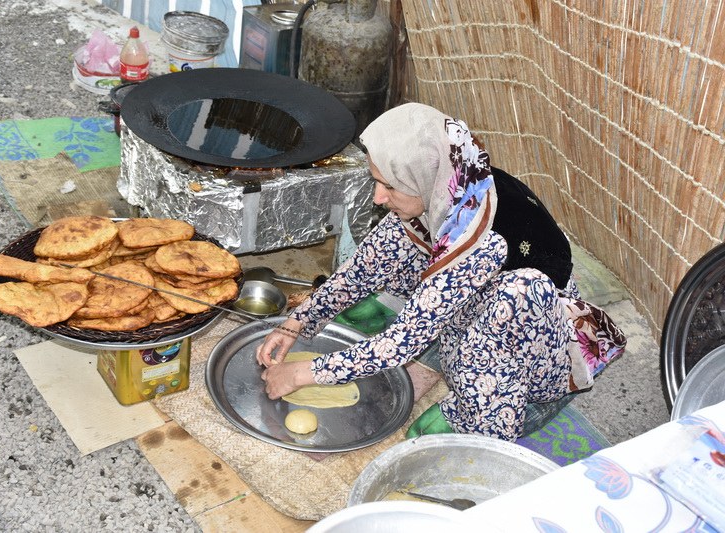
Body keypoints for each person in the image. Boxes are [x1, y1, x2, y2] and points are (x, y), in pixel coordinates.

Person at [256, 102, 626, 442]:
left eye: (389, 186)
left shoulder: (479, 237)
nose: (377, 198)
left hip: (538, 350)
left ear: (423, 178)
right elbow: (364, 266)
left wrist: (304, 373)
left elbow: (402, 341)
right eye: (377, 181)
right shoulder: (447, 185)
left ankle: (488, 419)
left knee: (498, 318)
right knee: (399, 242)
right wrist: (299, 322)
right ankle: (440, 351)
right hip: (478, 297)